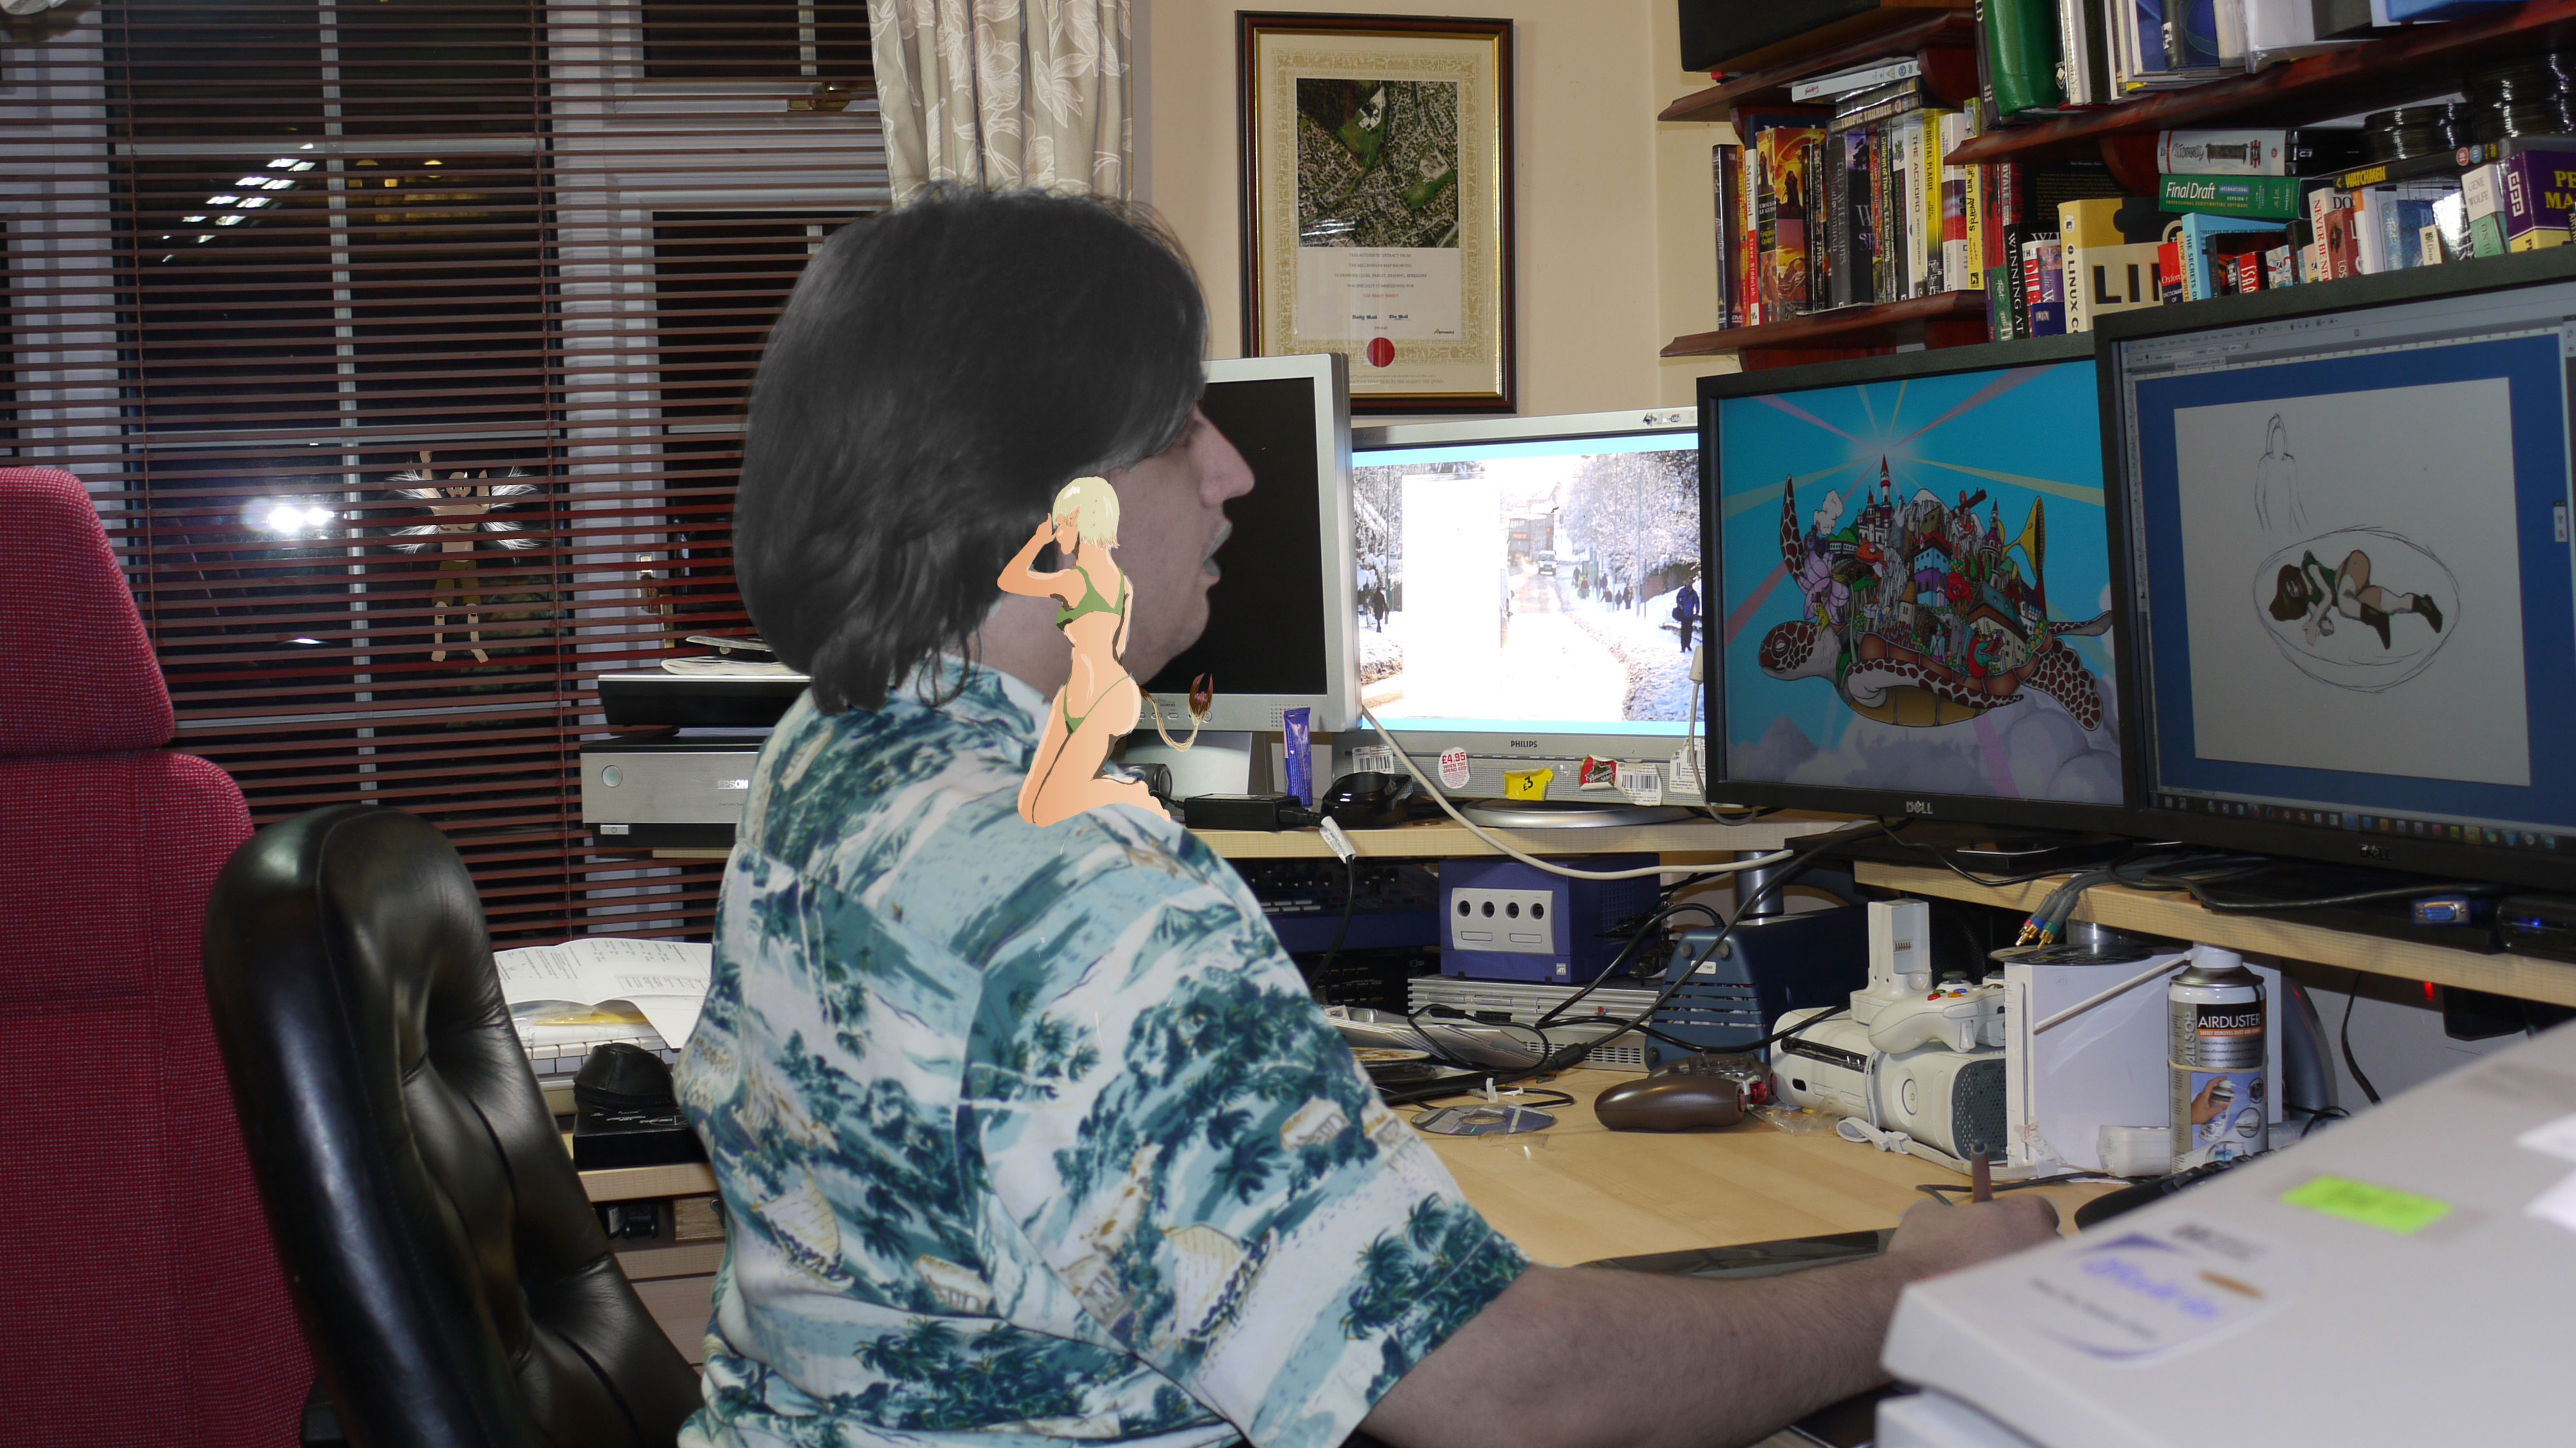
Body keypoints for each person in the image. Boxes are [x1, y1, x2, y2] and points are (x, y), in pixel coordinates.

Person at [699, 184, 2058, 1448]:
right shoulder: (1077, 888)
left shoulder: (832, 749)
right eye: (1177, 427)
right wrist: (1911, 1294)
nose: (1231, 470)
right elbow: (1499, 1385)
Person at [998, 475, 1153, 825]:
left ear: (1082, 520)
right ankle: (1110, 792)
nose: (1057, 533)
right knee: (1030, 810)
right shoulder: (1123, 585)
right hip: (1076, 697)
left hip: (1104, 699)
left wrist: (1037, 539)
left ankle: (1131, 792)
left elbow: (1009, 579)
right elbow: (1119, 648)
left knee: (1047, 811)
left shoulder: (1074, 581)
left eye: (1063, 523)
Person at [2267, 548, 2443, 649]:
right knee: (2391, 605)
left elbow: (2328, 595)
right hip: (2355, 593)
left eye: (2289, 586)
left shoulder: (2309, 567)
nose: (2293, 590)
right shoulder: (2310, 602)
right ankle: (2423, 604)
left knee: (2344, 603)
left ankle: (2377, 619)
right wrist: (2318, 625)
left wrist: (2314, 621)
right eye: (2290, 593)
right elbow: (2328, 628)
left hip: (2353, 567)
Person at [1674, 573, 1703, 655]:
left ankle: (1688, 645)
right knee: (1684, 631)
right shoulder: (1682, 591)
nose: (1690, 584)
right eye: (1689, 582)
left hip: (1690, 615)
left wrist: (1697, 611)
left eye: (1691, 582)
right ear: (1687, 582)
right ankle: (1683, 647)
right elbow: (1678, 598)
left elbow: (1697, 603)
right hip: (1683, 615)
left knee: (1689, 631)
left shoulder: (1694, 594)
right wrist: (1679, 605)